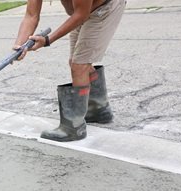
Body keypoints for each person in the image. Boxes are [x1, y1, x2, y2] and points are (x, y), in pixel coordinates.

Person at [13, 0, 125, 142]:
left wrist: (47, 40)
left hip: (104, 9)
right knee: (75, 62)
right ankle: (98, 109)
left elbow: (81, 14)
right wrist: (20, 45)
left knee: (79, 65)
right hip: (80, 13)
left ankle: (74, 127)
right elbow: (31, 15)